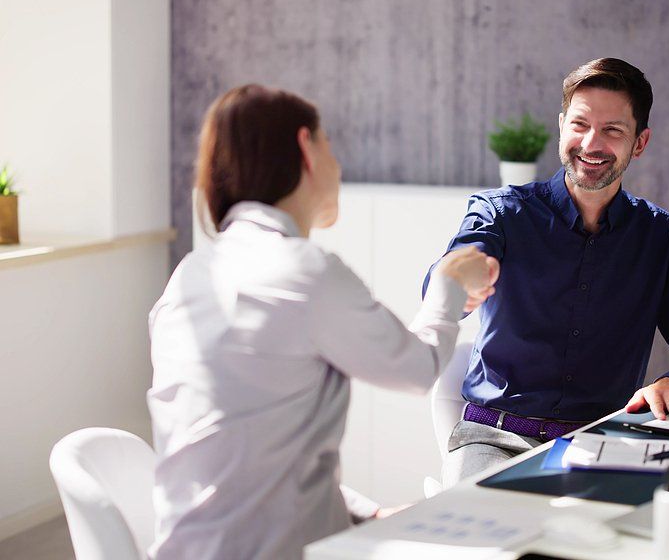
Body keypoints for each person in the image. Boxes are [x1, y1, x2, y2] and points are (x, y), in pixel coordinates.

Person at [147, 84, 499, 559]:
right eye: (330, 145)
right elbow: (417, 370)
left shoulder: (188, 276)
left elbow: (244, 456)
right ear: (306, 149)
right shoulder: (304, 270)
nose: (337, 165)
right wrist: (450, 283)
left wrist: (363, 513)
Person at [424, 58, 669, 487]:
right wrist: (458, 279)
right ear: (562, 126)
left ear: (640, 142)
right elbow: (451, 275)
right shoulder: (500, 213)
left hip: (600, 445)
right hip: (493, 439)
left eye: (613, 130)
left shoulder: (661, 237)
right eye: (580, 125)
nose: (591, 143)